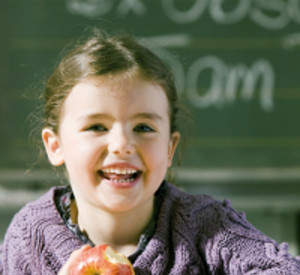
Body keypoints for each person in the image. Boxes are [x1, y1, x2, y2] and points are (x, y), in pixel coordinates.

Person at [1, 28, 300, 275]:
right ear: (55, 146)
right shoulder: (30, 237)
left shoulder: (206, 224)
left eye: (144, 128)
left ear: (170, 148)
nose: (122, 144)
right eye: (97, 127)